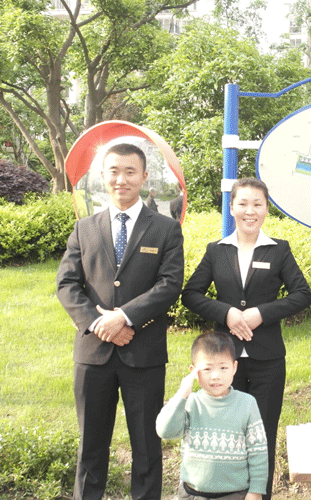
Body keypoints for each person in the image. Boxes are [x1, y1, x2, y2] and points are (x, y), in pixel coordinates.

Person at [56, 142, 184, 500]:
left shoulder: (165, 229)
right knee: (90, 446)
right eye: (113, 171)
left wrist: (125, 318)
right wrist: (99, 324)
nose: (121, 179)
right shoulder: (84, 228)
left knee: (147, 446)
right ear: (103, 175)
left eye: (130, 172)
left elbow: (170, 284)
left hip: (143, 352)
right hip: (93, 354)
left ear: (144, 176)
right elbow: (66, 284)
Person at [181, 177, 311, 500]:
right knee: (227, 432)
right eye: (243, 203)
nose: (249, 211)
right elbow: (191, 294)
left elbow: (302, 294)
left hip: (268, 360)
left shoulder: (279, 250)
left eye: (257, 204)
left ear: (266, 209)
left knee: (262, 435)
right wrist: (226, 313)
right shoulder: (217, 251)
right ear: (231, 207)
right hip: (224, 363)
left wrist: (261, 313)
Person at [156, 331, 268, 500]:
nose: (216, 376)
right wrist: (181, 395)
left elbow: (258, 451)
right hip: (192, 494)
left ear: (234, 367)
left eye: (223, 368)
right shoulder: (190, 403)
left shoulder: (247, 403)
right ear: (194, 372)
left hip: (234, 495)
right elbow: (165, 431)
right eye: (207, 369)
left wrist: (256, 490)